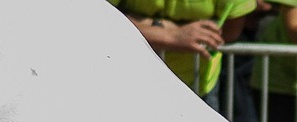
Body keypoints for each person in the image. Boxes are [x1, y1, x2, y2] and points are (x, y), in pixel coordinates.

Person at [109, 0, 260, 102]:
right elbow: (101, 16)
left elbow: (229, 30)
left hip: (198, 89)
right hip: (128, 81)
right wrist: (168, 34)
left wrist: (147, 26)